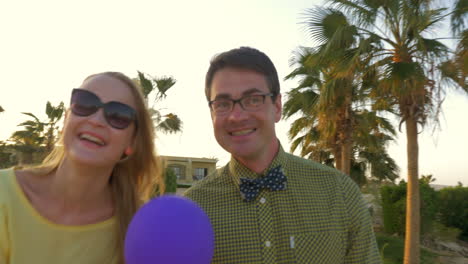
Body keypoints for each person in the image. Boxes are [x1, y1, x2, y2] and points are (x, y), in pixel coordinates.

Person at [184, 47, 381, 263]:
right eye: (222, 104)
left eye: (253, 99)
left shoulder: (339, 193)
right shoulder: (192, 212)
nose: (236, 116)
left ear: (277, 107)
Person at [0, 72, 163, 264]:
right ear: (66, 120)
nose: (95, 120)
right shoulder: (5, 193)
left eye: (118, 115)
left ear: (132, 142)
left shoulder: (141, 229)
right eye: (85, 103)